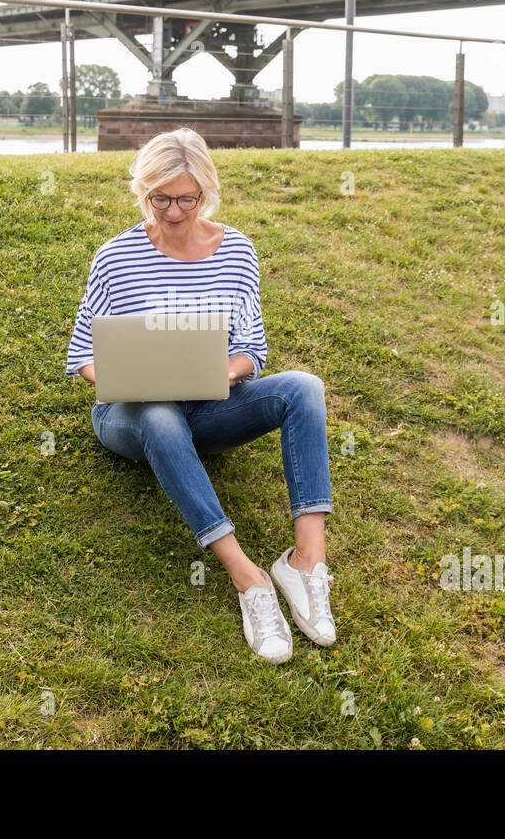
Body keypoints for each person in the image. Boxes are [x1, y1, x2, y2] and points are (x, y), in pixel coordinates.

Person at [65, 127, 336, 664]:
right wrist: (137, 378)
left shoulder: (235, 249)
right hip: (130, 414)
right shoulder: (116, 256)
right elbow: (82, 357)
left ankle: (306, 563)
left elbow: (252, 349)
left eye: (185, 199)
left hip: (210, 404)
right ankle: (248, 579)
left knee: (303, 387)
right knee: (161, 412)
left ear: (205, 192)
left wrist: (215, 373)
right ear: (143, 193)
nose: (172, 211)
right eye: (159, 198)